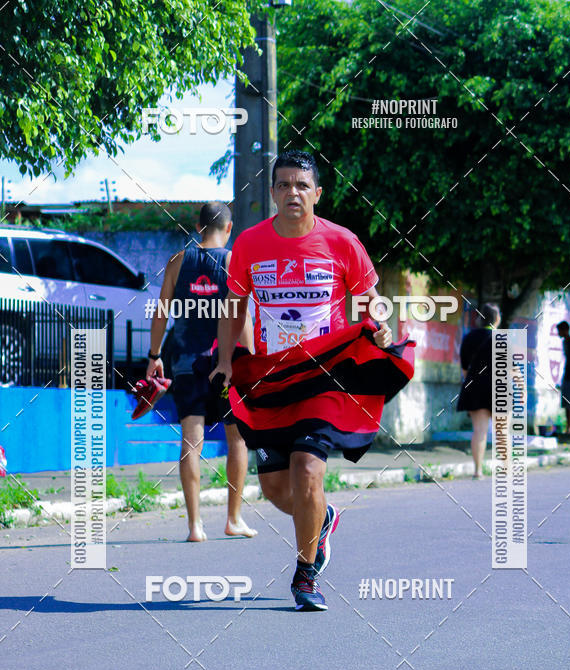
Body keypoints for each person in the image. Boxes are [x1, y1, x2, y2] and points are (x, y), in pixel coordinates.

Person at [210, 150, 393, 611]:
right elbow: (234, 306)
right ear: (273, 193)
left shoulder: (342, 241)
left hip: (324, 380)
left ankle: (305, 574)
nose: (293, 192)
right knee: (275, 490)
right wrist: (228, 361)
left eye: (301, 185)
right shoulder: (249, 245)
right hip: (272, 382)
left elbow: (371, 298)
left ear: (317, 193)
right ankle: (323, 518)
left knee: (308, 469)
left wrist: (382, 325)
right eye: (284, 184)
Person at [146, 201, 257, 542]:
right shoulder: (232, 261)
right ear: (228, 228)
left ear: (197, 227)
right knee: (236, 438)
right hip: (227, 362)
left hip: (185, 362)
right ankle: (233, 519)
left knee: (190, 441)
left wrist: (154, 356)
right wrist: (252, 358)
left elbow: (161, 313)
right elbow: (240, 317)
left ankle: (195, 526)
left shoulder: (177, 261)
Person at [456, 302, 501, 478]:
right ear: (497, 319)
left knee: (479, 431)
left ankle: (478, 470)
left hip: (475, 388)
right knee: (502, 432)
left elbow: (465, 369)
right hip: (499, 388)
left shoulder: (468, 338)